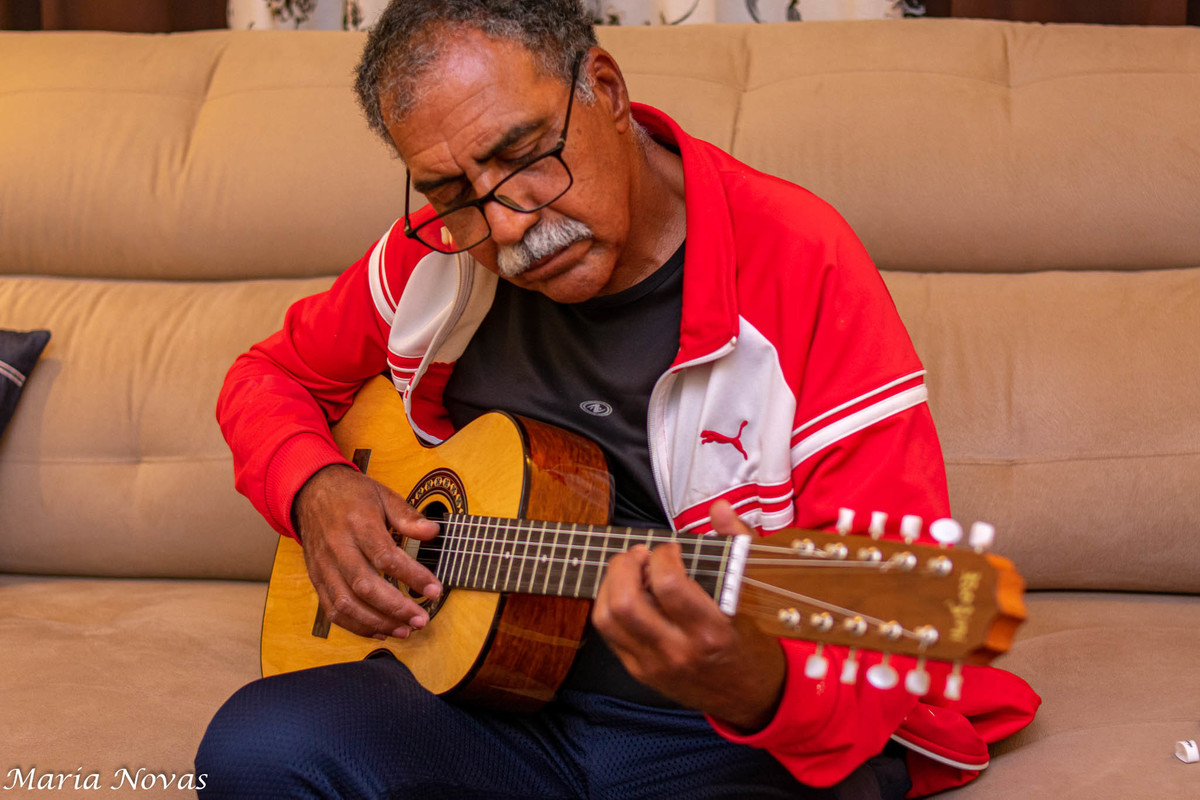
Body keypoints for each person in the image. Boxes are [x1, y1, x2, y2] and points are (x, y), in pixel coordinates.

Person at [197, 1, 1039, 797]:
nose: (508, 225)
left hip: (712, 733)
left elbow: (880, 644)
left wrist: (752, 682)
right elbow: (267, 377)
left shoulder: (798, 264)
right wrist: (315, 486)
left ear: (604, 88)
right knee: (257, 749)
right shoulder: (437, 256)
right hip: (490, 702)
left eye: (525, 155)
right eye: (453, 195)